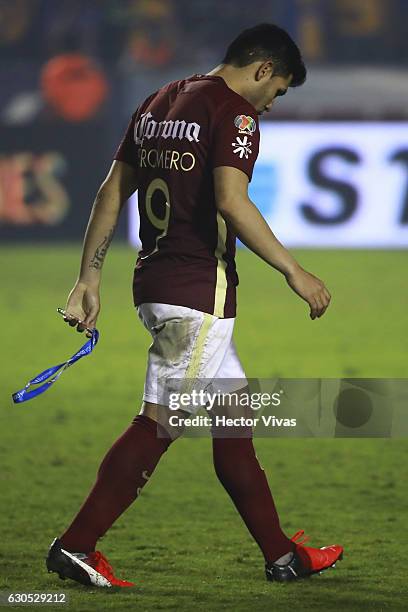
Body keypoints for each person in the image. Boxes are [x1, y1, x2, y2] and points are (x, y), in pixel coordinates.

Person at [46, 23, 342, 588]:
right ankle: (76, 546)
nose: (271, 104)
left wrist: (89, 277)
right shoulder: (234, 115)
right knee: (160, 423)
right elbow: (232, 201)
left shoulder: (159, 100)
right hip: (196, 290)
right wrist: (293, 270)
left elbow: (112, 191)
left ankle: (281, 555)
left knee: (233, 419)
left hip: (154, 281)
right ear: (261, 70)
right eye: (276, 91)